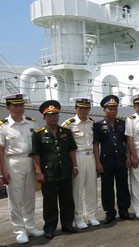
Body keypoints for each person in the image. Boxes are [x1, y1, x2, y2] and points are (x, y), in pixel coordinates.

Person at [0, 94, 44, 244]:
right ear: (8, 108)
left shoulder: (31, 123)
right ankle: (19, 230)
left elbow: (38, 145)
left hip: (30, 161)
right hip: (13, 162)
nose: (19, 109)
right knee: (15, 199)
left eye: (21, 105)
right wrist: (2, 171)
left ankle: (30, 226)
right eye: (15, 106)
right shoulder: (3, 126)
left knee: (29, 196)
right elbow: (0, 150)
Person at [31, 100, 78, 239]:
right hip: (49, 173)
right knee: (49, 202)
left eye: (55, 115)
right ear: (44, 117)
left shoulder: (66, 132)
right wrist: (38, 172)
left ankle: (67, 224)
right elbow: (36, 154)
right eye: (50, 115)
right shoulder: (38, 134)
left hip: (65, 170)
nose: (53, 117)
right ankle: (50, 228)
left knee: (67, 200)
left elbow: (71, 150)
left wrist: (74, 166)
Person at [61, 97, 100, 229]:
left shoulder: (91, 123)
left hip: (90, 156)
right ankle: (78, 217)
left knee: (91, 188)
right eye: (81, 108)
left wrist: (97, 160)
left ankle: (92, 215)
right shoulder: (68, 124)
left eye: (86, 108)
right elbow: (65, 146)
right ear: (76, 108)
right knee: (77, 190)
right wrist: (72, 164)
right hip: (77, 156)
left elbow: (95, 144)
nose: (83, 111)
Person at [93, 95, 132, 224]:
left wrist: (128, 157)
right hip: (106, 161)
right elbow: (96, 144)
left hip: (121, 160)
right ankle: (109, 212)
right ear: (105, 110)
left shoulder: (122, 123)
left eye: (115, 109)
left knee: (123, 186)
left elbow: (126, 142)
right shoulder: (98, 125)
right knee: (107, 188)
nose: (113, 111)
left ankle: (124, 210)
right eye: (110, 109)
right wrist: (97, 162)